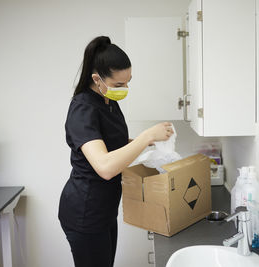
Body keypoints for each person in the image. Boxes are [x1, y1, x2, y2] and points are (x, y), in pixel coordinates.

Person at [58, 36, 174, 267]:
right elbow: (105, 167)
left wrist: (146, 143)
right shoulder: (83, 109)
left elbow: (111, 142)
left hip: (105, 208)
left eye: (128, 81)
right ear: (96, 79)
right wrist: (146, 137)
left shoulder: (108, 101)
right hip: (85, 211)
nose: (125, 89)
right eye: (119, 84)